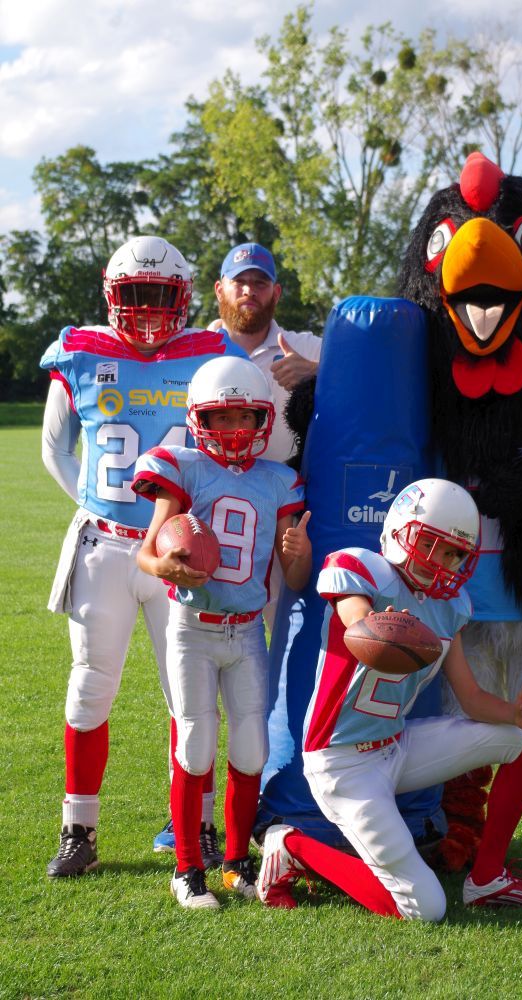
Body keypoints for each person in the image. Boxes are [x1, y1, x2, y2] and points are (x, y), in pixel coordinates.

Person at [255, 479, 522, 920]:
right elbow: (358, 626)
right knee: (425, 909)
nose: (445, 562)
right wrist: (381, 626)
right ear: (402, 531)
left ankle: (488, 877)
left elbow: (473, 698)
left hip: (396, 746)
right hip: (343, 764)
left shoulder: (449, 604)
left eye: (456, 554)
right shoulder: (363, 571)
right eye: (434, 545)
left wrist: (513, 712)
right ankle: (291, 846)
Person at [41, 235, 246, 879]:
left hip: (176, 554)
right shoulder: (79, 349)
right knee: (90, 686)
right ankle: (79, 828)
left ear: (183, 297)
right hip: (104, 547)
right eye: (137, 296)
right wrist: (102, 508)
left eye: (162, 295)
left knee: (189, 698)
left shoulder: (213, 353)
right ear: (111, 295)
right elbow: (55, 448)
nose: (151, 309)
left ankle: (198, 824)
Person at [133, 355, 312, 909]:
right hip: (192, 628)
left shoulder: (280, 480)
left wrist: (297, 553)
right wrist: (163, 567)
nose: (235, 431)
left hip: (245, 633)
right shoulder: (182, 467)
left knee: (252, 747)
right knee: (195, 743)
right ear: (197, 420)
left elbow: (295, 578)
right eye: (222, 418)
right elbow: (147, 553)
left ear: (263, 420)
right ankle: (188, 868)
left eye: (245, 418)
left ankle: (235, 861)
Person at [209, 242, 322, 466]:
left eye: (260, 283)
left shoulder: (306, 348)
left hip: (283, 496)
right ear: (219, 291)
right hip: (205, 495)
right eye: (239, 281)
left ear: (276, 293)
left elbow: (367, 379)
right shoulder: (193, 349)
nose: (249, 291)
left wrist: (315, 371)